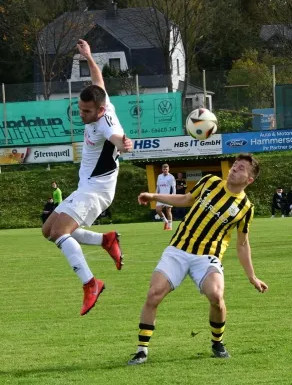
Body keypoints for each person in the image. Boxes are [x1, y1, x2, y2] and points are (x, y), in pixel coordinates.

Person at [128, 153, 268, 365]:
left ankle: (217, 342)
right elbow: (186, 199)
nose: (233, 169)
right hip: (178, 249)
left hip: (207, 256)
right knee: (154, 294)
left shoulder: (245, 208)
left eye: (240, 169)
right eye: (234, 166)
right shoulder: (210, 181)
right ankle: (141, 350)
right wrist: (154, 196)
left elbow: (241, 243)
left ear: (249, 180)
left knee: (216, 296)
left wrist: (252, 276)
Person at [42, 39, 133, 316]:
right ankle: (106, 241)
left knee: (60, 232)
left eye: (87, 112)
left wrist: (123, 143)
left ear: (100, 111)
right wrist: (88, 56)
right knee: (48, 230)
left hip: (97, 190)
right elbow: (98, 80)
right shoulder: (104, 102)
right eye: (80, 109)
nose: (82, 115)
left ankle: (91, 283)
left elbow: (116, 137)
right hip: (87, 186)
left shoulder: (107, 125)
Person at [155, 164, 176, 230]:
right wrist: (156, 194)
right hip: (161, 196)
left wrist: (173, 196)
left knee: (168, 210)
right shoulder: (159, 176)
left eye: (166, 169)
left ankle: (170, 226)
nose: (165, 170)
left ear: (168, 169)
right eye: (164, 169)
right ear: (162, 169)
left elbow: (173, 187)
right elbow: (158, 186)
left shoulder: (171, 177)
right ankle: (165, 221)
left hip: (168, 196)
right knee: (158, 210)